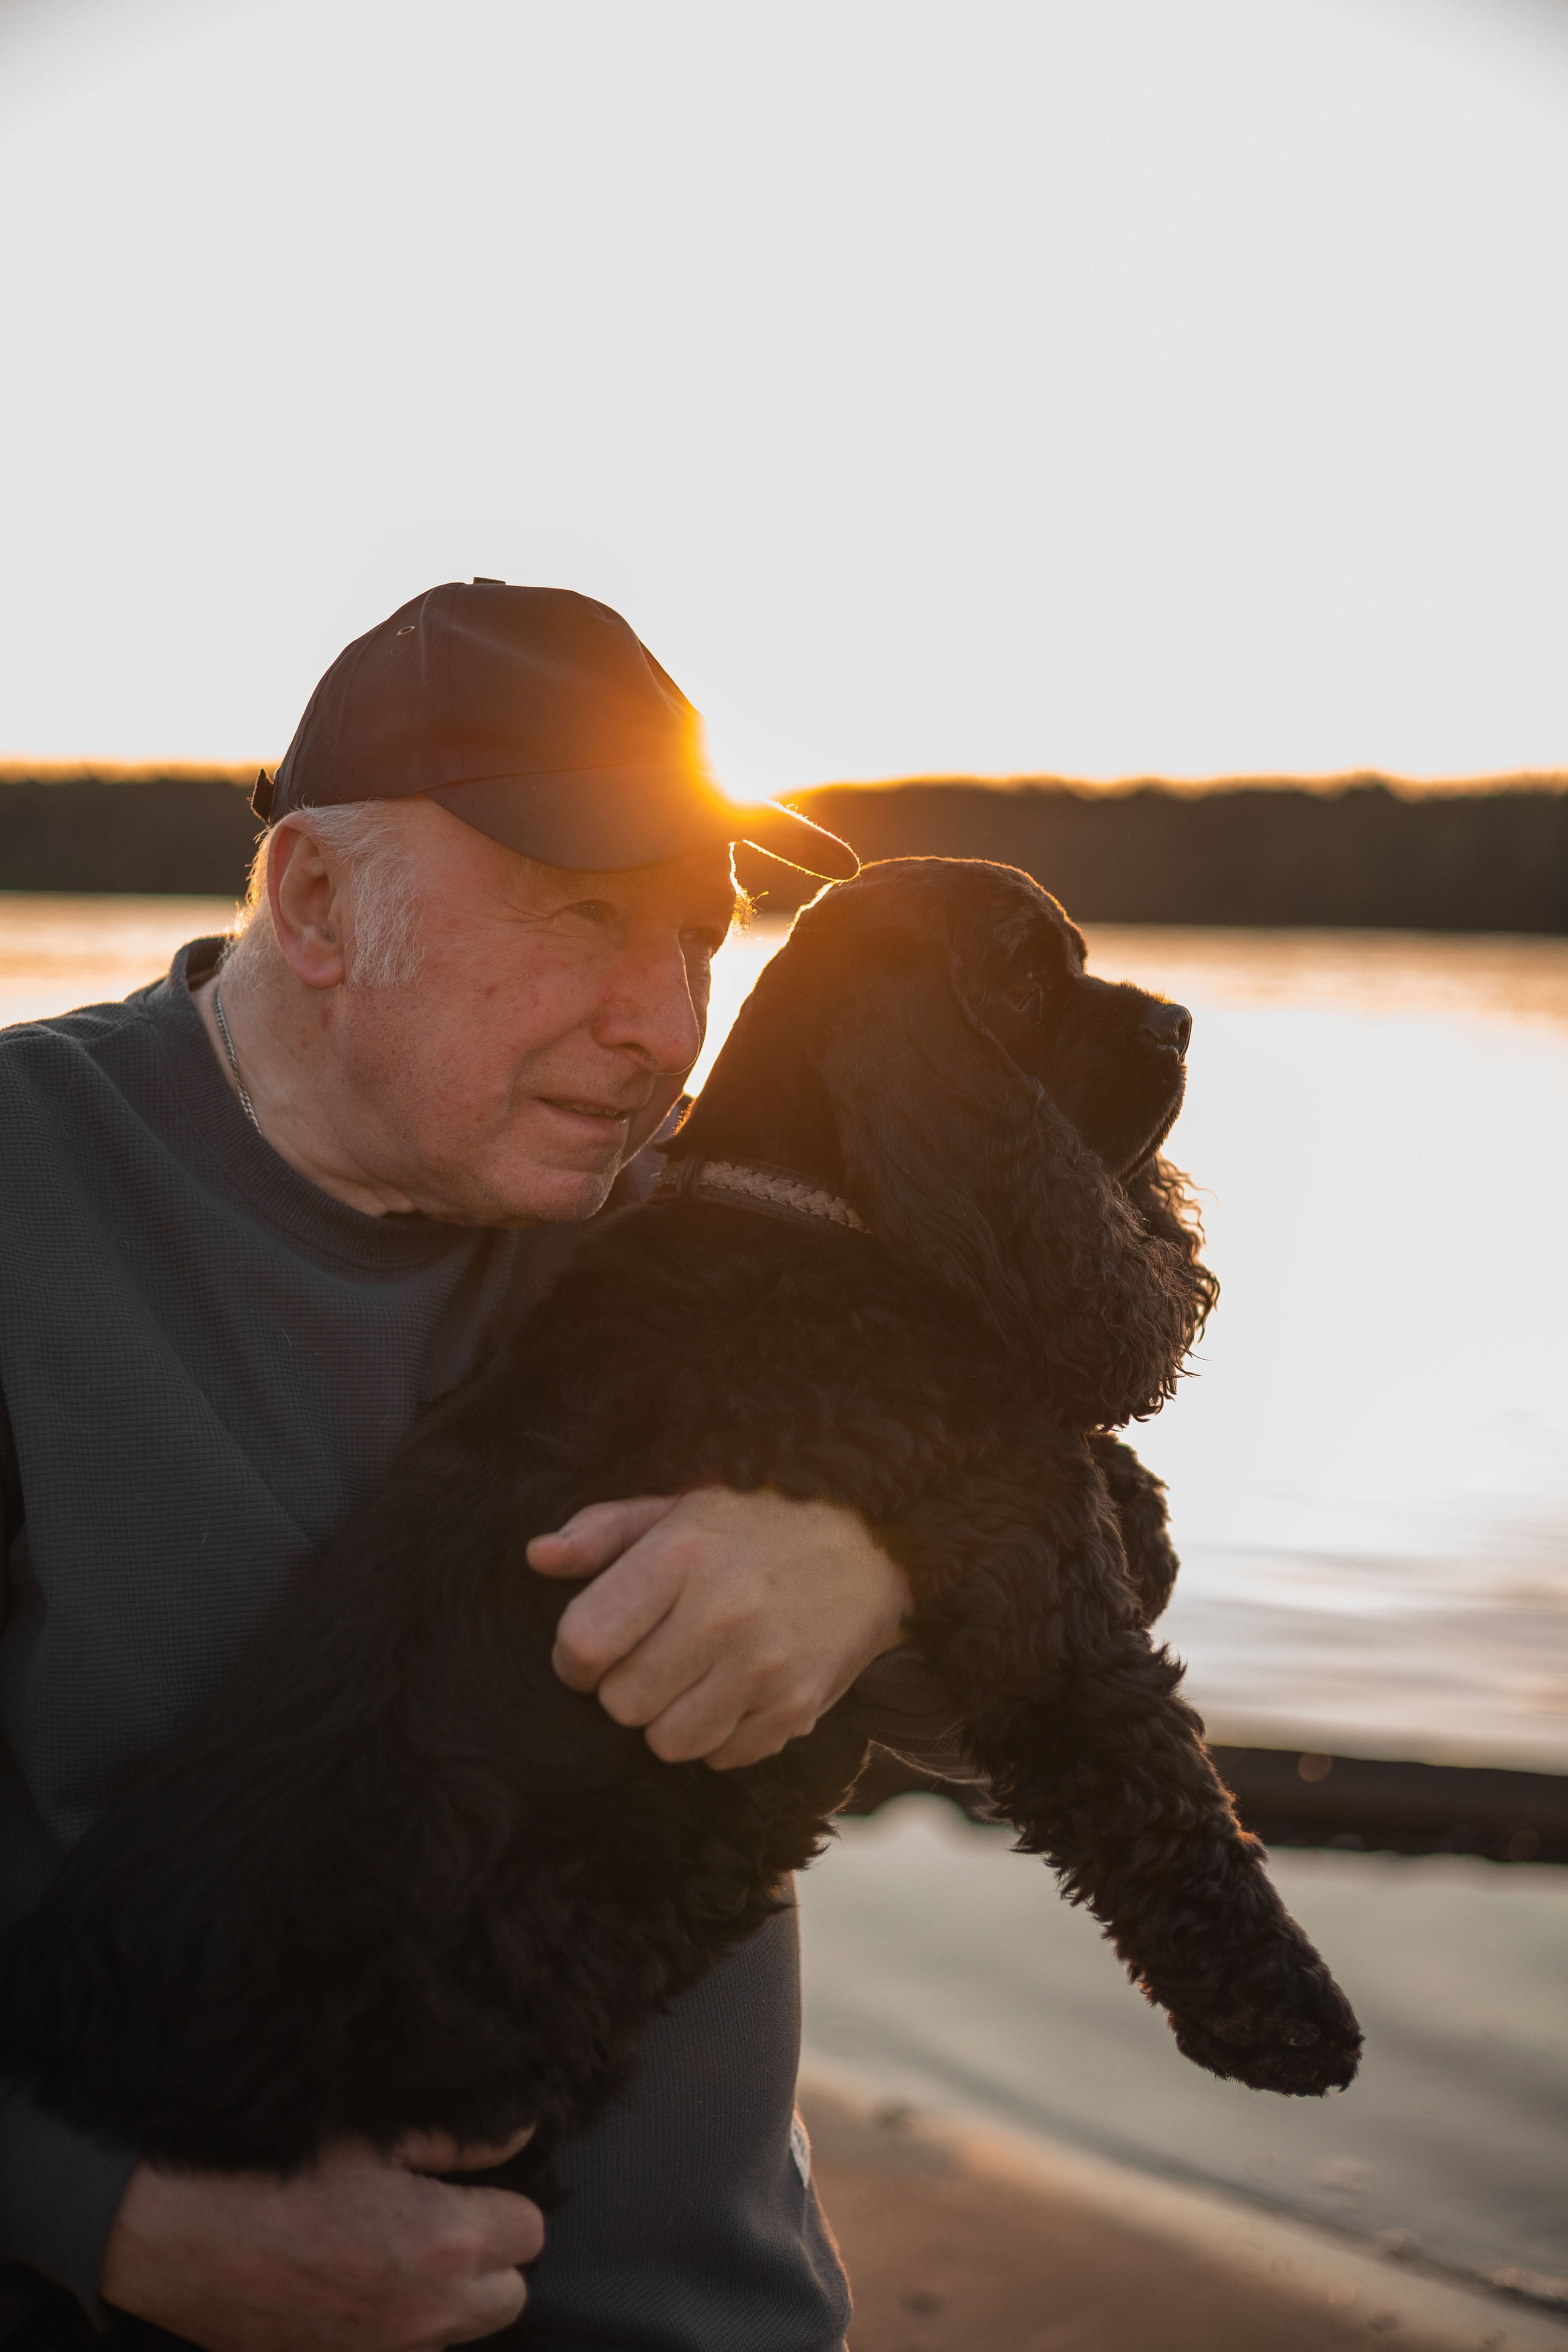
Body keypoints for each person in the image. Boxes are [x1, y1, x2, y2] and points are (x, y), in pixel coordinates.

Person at [0, 584, 969, 2352]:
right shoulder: (25, 1203)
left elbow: (1091, 1638)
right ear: (313, 903)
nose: (665, 1028)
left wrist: (876, 1565)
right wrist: (110, 2219)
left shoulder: (718, 1210)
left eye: (698, 937)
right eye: (584, 919)